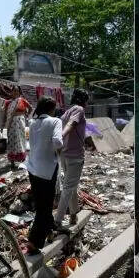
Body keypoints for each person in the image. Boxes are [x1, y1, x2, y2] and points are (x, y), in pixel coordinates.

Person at [25, 97, 64, 252]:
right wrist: (59, 154)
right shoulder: (56, 121)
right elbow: (57, 142)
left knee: (41, 202)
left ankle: (51, 229)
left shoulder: (32, 122)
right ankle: (34, 242)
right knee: (45, 206)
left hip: (32, 167)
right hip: (47, 168)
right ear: (51, 109)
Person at [55, 88, 89, 232]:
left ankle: (74, 214)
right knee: (69, 187)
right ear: (84, 100)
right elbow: (72, 125)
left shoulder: (66, 112)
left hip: (64, 155)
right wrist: (61, 137)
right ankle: (58, 220)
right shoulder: (79, 110)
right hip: (75, 156)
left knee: (71, 185)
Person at [4, 96, 30, 169]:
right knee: (11, 141)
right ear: (11, 92)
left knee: (21, 140)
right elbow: (5, 114)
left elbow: (30, 107)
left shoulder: (22, 100)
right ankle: (12, 162)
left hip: (20, 123)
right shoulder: (8, 102)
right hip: (11, 123)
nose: (14, 93)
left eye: (16, 91)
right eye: (13, 91)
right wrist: (3, 124)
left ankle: (23, 161)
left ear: (18, 92)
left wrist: (26, 115)